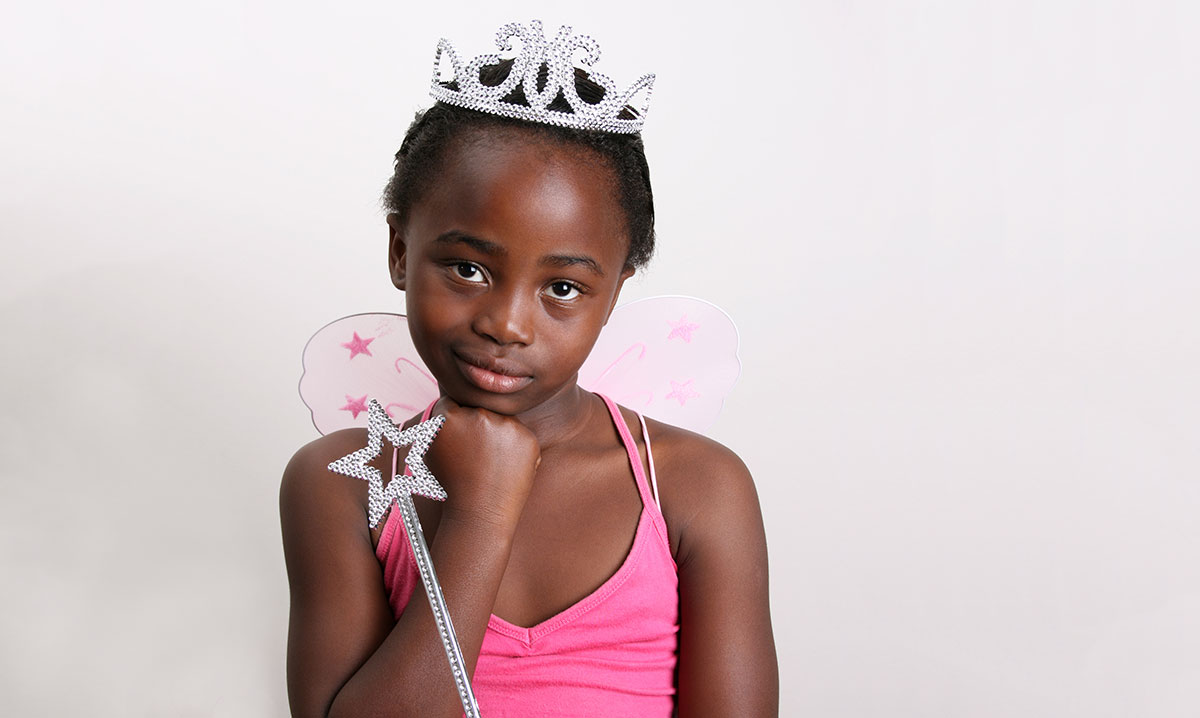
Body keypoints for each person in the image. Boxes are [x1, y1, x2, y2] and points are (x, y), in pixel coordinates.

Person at [280, 21, 778, 718]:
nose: (506, 324)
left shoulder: (695, 487)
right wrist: (483, 517)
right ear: (399, 250)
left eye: (563, 288)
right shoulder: (344, 483)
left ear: (615, 294)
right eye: (467, 268)